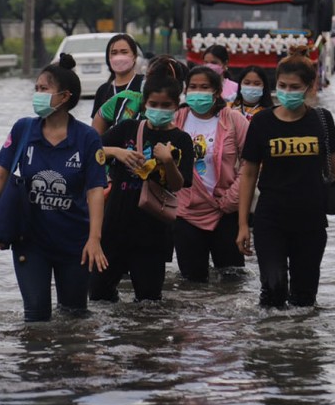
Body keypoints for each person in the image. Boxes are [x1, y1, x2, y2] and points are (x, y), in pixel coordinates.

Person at [0, 53, 108, 321]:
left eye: (44, 89)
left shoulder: (87, 138)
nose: (37, 95)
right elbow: (2, 174)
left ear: (65, 97)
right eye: (36, 88)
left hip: (75, 241)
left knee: (75, 317)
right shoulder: (24, 130)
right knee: (36, 318)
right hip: (31, 240)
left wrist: (94, 238)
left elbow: (96, 190)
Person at [236, 46, 335, 309]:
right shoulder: (263, 122)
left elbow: (333, 171)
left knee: (304, 300)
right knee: (273, 290)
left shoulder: (322, 120)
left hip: (311, 221)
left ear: (310, 87)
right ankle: (270, 346)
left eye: (294, 87)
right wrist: (243, 224)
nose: (287, 92)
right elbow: (249, 174)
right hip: (270, 220)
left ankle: (300, 347)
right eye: (282, 86)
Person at [92, 62, 194, 303]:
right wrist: (116, 152)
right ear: (145, 104)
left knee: (148, 302)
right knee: (98, 296)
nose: (159, 109)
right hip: (114, 227)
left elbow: (179, 185)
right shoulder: (127, 128)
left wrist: (168, 162)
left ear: (176, 106)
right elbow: (90, 152)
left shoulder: (181, 139)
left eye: (166, 105)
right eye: (154, 104)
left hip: (153, 233)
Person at [173, 65, 249, 283]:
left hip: (226, 209)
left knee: (233, 280)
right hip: (186, 212)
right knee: (192, 283)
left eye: (204, 87)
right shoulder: (176, 119)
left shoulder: (234, 120)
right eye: (193, 87)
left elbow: (251, 163)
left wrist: (232, 198)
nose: (198, 92)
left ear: (217, 91)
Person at [93, 54, 186, 135]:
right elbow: (101, 116)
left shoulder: (183, 115)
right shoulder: (125, 100)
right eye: (147, 76)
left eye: (166, 105)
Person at [90, 34, 143, 120]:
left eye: (124, 52)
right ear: (108, 58)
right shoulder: (103, 90)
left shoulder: (144, 84)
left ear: (135, 56)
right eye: (114, 53)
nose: (119, 57)